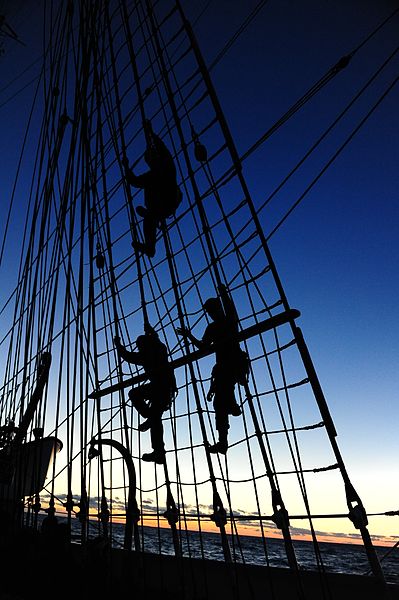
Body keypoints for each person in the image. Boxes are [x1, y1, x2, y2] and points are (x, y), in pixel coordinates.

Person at [177, 285, 246, 455]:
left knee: (221, 400)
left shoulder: (229, 320)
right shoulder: (212, 328)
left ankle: (231, 408)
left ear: (218, 308)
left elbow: (230, 306)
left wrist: (223, 292)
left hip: (232, 364)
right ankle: (224, 436)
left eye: (212, 310)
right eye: (209, 311)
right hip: (223, 367)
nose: (211, 314)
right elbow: (203, 347)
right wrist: (188, 335)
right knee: (219, 403)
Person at [114, 325, 176, 464]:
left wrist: (118, 345)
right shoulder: (161, 348)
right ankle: (158, 450)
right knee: (154, 417)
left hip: (160, 388)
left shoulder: (145, 355)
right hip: (167, 388)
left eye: (139, 345)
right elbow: (156, 339)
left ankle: (148, 417)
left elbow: (128, 356)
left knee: (135, 394)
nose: (139, 348)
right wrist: (151, 331)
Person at [124, 121, 182, 258]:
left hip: (169, 201)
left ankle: (150, 245)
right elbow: (134, 181)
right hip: (162, 205)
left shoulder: (166, 167)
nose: (150, 162)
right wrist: (126, 167)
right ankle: (155, 218)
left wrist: (151, 134)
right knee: (150, 216)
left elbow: (163, 150)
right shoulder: (157, 171)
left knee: (150, 216)